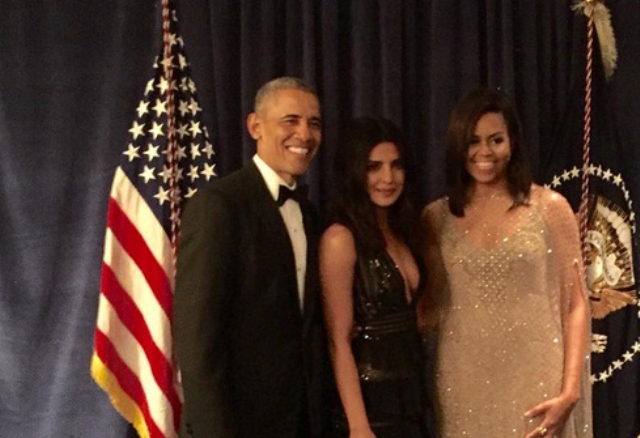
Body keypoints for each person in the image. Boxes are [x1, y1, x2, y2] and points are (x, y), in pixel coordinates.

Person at [422, 88, 592, 437]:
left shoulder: (551, 208)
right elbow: (429, 307)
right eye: (473, 141)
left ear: (512, 142)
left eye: (496, 140)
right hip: (460, 381)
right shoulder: (435, 218)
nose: (484, 152)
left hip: (536, 381)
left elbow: (577, 304)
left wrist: (571, 389)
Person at [174, 77, 329, 438]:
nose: (305, 134)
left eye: (314, 123)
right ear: (255, 126)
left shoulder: (308, 213)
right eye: (290, 120)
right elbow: (198, 344)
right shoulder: (219, 206)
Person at [319, 117, 435, 438]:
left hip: (412, 400)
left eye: (396, 166)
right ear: (354, 172)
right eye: (373, 167)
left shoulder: (406, 231)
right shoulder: (340, 239)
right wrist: (359, 426)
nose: (388, 178)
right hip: (369, 406)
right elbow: (338, 340)